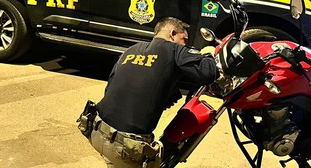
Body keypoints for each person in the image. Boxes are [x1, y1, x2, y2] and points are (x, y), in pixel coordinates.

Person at [78, 17, 218, 167]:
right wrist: (208, 54)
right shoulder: (174, 49)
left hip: (97, 131)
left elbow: (111, 87)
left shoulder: (130, 50)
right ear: (173, 33)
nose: (186, 44)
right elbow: (208, 72)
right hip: (127, 147)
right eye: (184, 39)